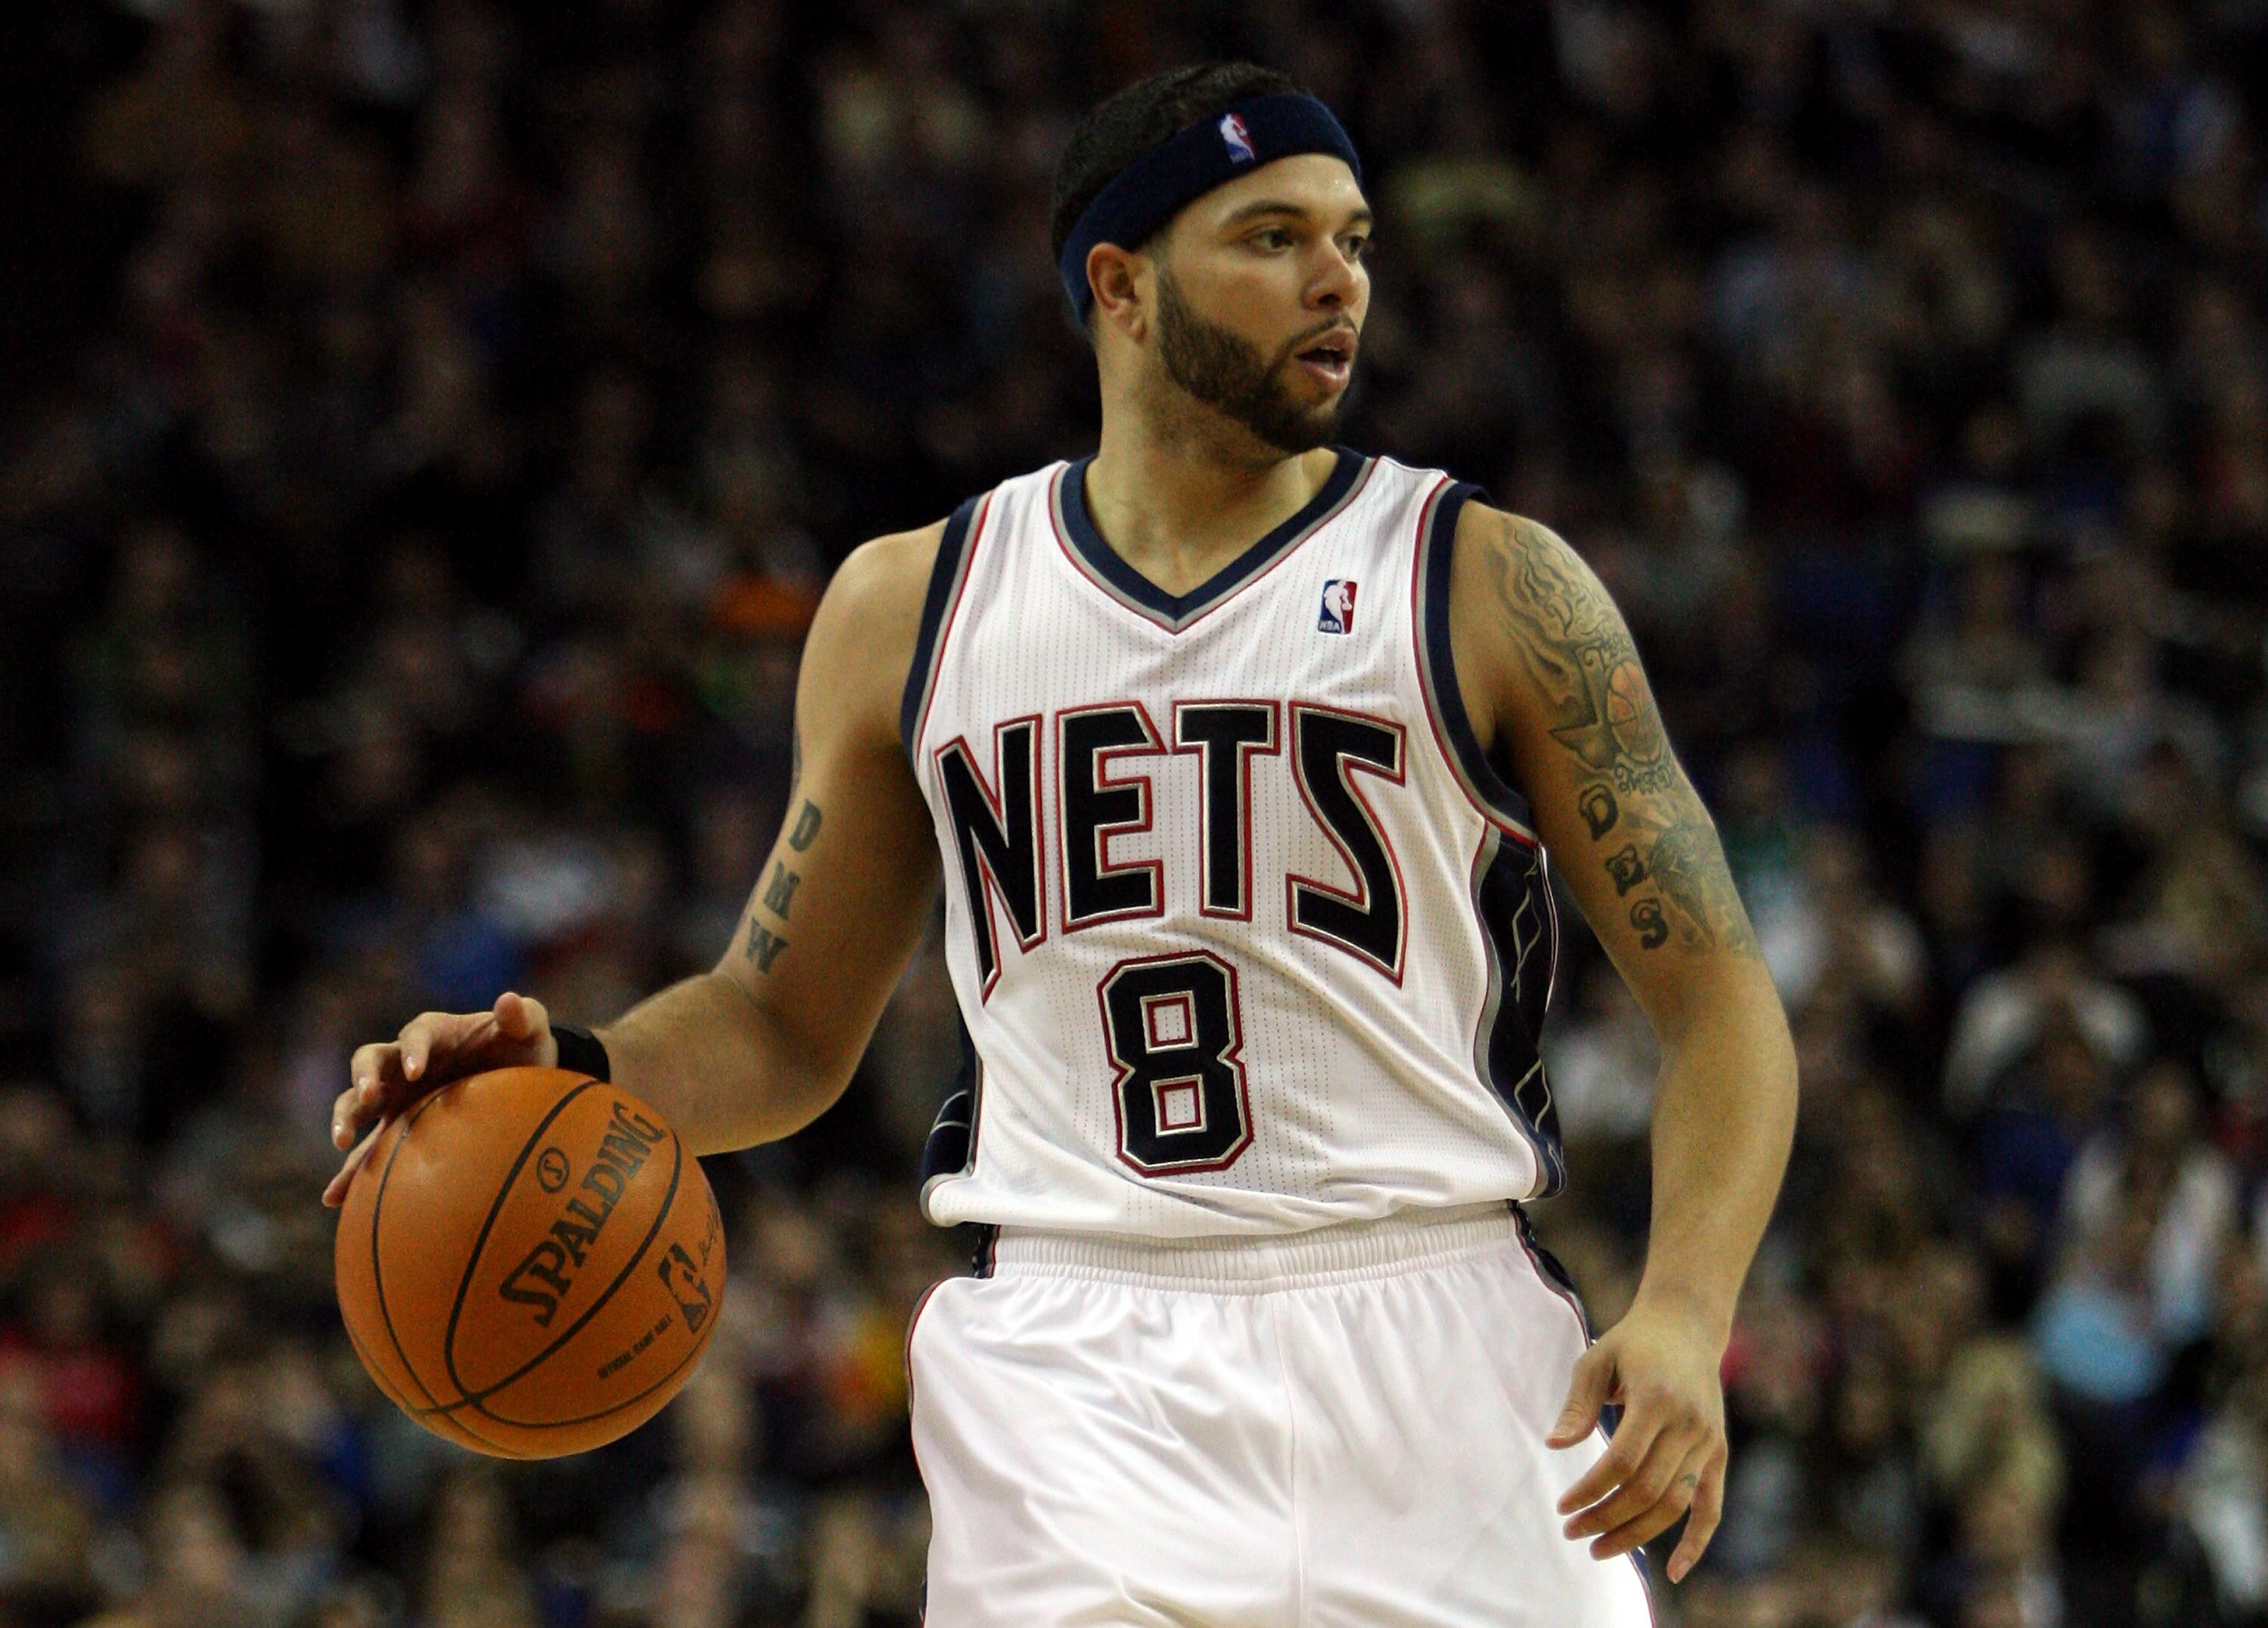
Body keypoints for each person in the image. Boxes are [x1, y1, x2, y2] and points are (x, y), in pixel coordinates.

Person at [324, 63, 1796, 1625]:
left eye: (1354, 241)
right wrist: (575, 1069)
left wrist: (1685, 1309)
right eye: (1273, 236)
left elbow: (1724, 1005)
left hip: (1442, 1336)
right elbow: (780, 1024)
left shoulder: (1487, 581)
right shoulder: (916, 605)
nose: (1338, 281)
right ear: (1122, 285)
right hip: (1078, 1368)